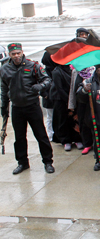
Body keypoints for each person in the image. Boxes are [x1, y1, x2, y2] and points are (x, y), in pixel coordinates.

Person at [1, 43, 54, 175]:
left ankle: (48, 162)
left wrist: (40, 87)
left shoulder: (33, 66)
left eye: (18, 53)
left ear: (22, 52)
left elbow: (47, 79)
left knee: (41, 135)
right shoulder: (5, 69)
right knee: (19, 138)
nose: (16, 56)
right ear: (9, 54)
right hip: (17, 108)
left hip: (32, 106)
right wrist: (4, 107)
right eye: (13, 54)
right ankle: (22, 162)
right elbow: (3, 89)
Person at [50, 65, 82, 151]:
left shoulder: (73, 69)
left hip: (73, 98)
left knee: (74, 119)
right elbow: (59, 88)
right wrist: (69, 101)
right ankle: (65, 140)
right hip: (61, 100)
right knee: (62, 120)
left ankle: (77, 139)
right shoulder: (56, 71)